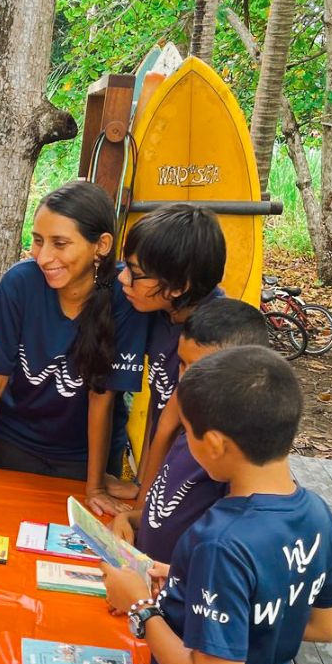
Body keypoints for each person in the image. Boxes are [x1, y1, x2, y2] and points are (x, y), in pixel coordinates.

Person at [101, 346, 332, 664]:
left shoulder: (219, 540)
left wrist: (142, 608)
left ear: (213, 444)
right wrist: (186, 581)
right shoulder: (315, 512)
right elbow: (324, 624)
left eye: (187, 433)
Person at [0, 180, 149, 513]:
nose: (43, 257)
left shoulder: (124, 296)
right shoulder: (21, 283)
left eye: (60, 243)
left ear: (101, 245)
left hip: (88, 460)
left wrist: (95, 486)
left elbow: (102, 395)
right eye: (38, 241)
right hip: (15, 446)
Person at [113, 299, 268, 565]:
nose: (184, 379)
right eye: (182, 364)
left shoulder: (228, 460)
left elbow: (219, 558)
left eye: (197, 369)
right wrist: (129, 518)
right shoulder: (190, 430)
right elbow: (167, 516)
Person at [118, 204, 226, 490]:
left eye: (134, 272)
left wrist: (146, 502)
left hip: (194, 489)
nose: (122, 278)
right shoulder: (163, 313)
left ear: (178, 286)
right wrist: (142, 485)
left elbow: (173, 429)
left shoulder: (214, 341)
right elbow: (158, 411)